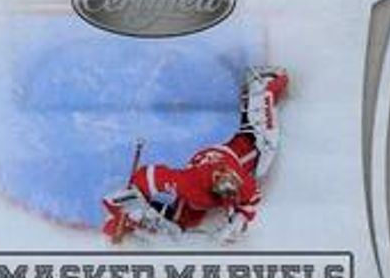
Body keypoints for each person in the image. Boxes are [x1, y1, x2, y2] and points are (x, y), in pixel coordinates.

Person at [102, 68, 288, 245]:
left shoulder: (242, 184)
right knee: (182, 222)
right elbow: (148, 176)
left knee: (259, 147)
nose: (225, 175)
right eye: (224, 176)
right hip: (207, 166)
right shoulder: (189, 183)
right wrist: (129, 199)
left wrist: (239, 220)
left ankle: (261, 90)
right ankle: (139, 221)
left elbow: (252, 197)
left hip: (228, 155)